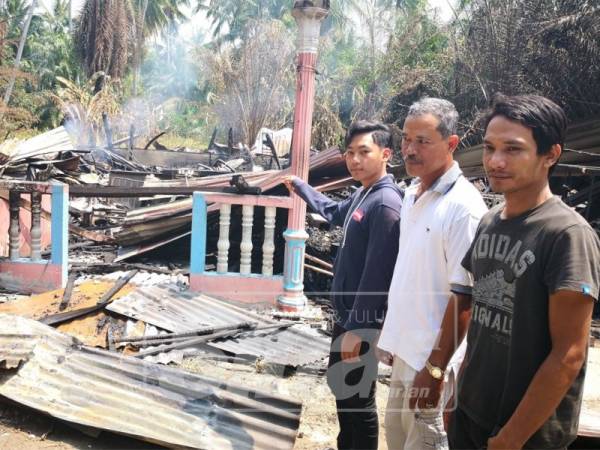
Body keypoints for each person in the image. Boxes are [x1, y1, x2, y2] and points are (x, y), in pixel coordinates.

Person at [448, 94, 600, 449]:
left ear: (550, 154)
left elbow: (569, 353)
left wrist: (513, 437)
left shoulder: (567, 235)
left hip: (525, 434)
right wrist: (457, 395)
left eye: (513, 149)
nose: (495, 161)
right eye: (489, 147)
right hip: (471, 414)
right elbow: (481, 317)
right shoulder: (489, 222)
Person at [283, 120, 402, 450]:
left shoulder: (385, 205)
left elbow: (377, 277)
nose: (354, 160)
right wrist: (303, 189)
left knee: (358, 400)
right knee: (345, 390)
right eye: (350, 153)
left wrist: (356, 330)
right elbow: (334, 211)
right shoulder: (364, 194)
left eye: (364, 152)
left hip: (360, 324)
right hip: (347, 317)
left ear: (386, 154)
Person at [377, 98, 488, 450]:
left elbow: (466, 297)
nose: (410, 149)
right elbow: (412, 274)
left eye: (422, 141)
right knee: (398, 441)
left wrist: (436, 370)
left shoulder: (464, 208)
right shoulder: (413, 194)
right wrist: (392, 337)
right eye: (406, 139)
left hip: (431, 362)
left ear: (451, 144)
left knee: (425, 442)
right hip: (405, 354)